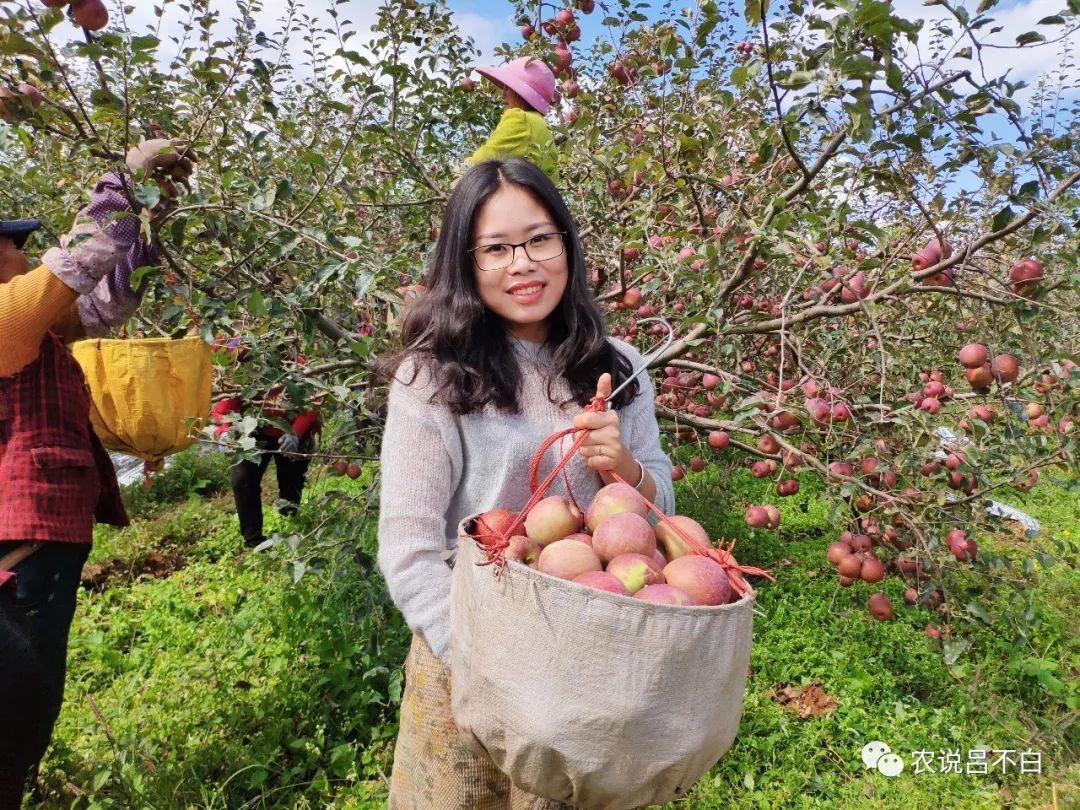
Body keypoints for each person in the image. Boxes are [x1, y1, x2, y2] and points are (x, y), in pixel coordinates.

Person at [376, 157, 675, 809]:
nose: (523, 264)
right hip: (469, 653)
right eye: (496, 248)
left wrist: (623, 469)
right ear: (466, 262)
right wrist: (484, 663)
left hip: (594, 654)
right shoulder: (431, 377)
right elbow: (408, 548)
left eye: (540, 239)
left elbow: (662, 513)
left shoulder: (618, 366)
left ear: (567, 244)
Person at [0, 138, 195, 803]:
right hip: (17, 554)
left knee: (30, 695)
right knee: (16, 701)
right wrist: (125, 181)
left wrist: (149, 216)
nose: (28, 254)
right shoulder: (7, 322)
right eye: (15, 246)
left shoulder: (38, 329)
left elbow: (109, 300)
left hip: (43, 545)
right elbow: (78, 260)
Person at [211, 355, 320, 549]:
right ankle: (253, 539)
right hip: (254, 430)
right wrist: (225, 432)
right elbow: (222, 410)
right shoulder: (242, 373)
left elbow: (313, 401)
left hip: (291, 427)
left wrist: (296, 432)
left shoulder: (297, 365)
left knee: (292, 480)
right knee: (243, 481)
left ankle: (288, 516)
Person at [467, 57, 560, 184]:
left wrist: (462, 167)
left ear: (521, 92)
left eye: (508, 87)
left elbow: (481, 160)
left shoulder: (520, 118)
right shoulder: (540, 125)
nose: (503, 94)